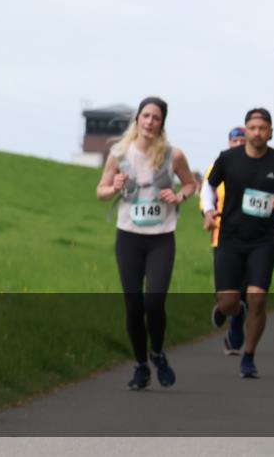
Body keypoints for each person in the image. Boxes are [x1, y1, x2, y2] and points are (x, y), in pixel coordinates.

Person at [97, 96, 198, 390]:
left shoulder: (173, 155)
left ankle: (158, 353)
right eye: (146, 116)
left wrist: (179, 196)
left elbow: (190, 183)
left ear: (162, 123)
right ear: (137, 119)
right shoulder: (119, 153)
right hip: (128, 236)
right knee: (133, 306)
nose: (150, 122)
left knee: (154, 303)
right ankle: (141, 365)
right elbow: (101, 191)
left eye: (156, 117)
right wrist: (112, 187)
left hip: (161, 238)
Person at [201, 107, 274, 378]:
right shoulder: (228, 159)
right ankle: (232, 312)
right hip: (230, 239)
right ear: (246, 130)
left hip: (262, 240)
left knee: (257, 298)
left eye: (262, 128)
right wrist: (209, 210)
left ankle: (248, 356)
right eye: (253, 127)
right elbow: (208, 186)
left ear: (270, 133)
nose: (257, 132)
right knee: (228, 302)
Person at [200, 127, 249, 355]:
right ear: (229, 143)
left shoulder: (257, 167)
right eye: (235, 140)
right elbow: (206, 195)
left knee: (246, 288)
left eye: (242, 140)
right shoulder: (216, 167)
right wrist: (208, 214)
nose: (239, 144)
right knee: (227, 289)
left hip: (252, 238)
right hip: (222, 237)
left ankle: (235, 329)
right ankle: (224, 307)